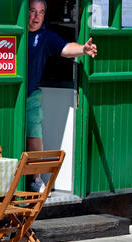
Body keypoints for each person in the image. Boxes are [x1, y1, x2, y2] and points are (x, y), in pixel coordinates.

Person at [27, 0, 97, 192]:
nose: (36, 17)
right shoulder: (14, 33)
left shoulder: (45, 36)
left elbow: (65, 48)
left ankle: (35, 179)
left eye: (40, 12)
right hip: (9, 94)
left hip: (31, 94)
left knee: (34, 135)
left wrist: (83, 49)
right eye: (32, 11)